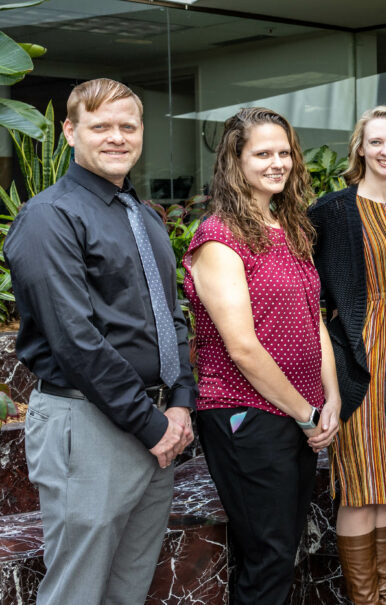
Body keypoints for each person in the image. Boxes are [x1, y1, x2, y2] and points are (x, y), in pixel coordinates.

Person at [4, 78, 196, 605]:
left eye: (128, 126)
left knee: (127, 590)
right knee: (77, 593)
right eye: (100, 126)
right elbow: (75, 339)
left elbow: (170, 317)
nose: (117, 137)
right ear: (69, 131)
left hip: (155, 425)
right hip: (88, 425)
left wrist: (179, 403)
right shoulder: (49, 217)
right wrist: (152, 423)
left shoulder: (142, 215)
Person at [184, 107, 340, 604]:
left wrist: (330, 398)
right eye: (263, 154)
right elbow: (243, 347)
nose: (278, 163)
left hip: (300, 415)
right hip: (245, 414)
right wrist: (307, 414)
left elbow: (313, 318)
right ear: (236, 159)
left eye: (284, 153)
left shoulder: (288, 227)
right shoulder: (218, 237)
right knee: (267, 557)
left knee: (282, 554)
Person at [308, 105, 386, 605]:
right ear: (359, 146)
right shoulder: (333, 211)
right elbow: (310, 299)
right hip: (360, 362)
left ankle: (385, 597)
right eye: (377, 142)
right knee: (361, 486)